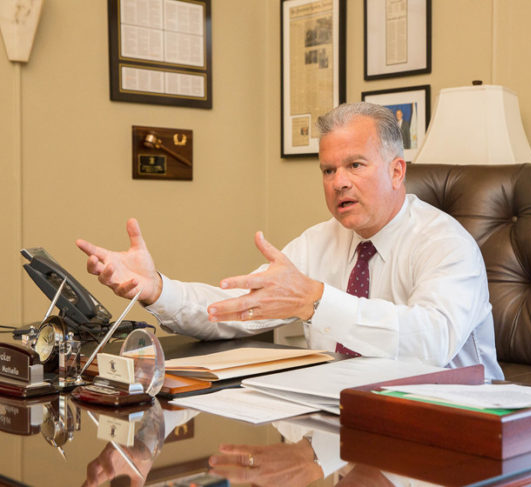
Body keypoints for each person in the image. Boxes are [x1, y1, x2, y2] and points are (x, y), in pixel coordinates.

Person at [76, 102, 503, 378]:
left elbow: (432, 343)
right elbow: (236, 310)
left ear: (396, 171)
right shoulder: (319, 243)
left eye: (355, 165)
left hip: (454, 425)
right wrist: (157, 289)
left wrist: (316, 301)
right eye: (328, 170)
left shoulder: (446, 243)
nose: (339, 183)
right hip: (339, 415)